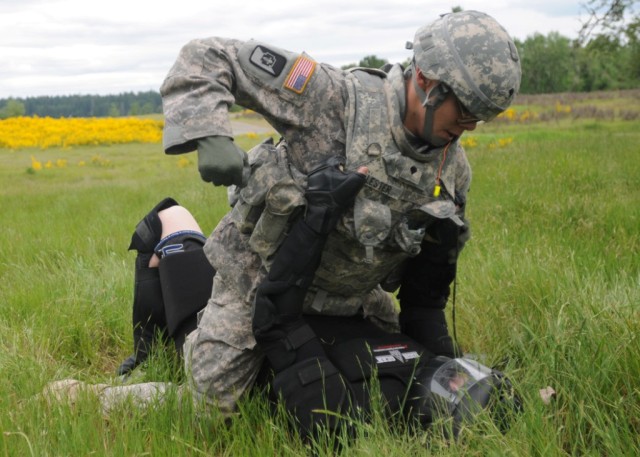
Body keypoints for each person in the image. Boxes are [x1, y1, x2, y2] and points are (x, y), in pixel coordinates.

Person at [48, 9, 523, 439]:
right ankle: (92, 391)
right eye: (463, 110)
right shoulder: (331, 97)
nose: (469, 127)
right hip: (255, 283)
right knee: (212, 415)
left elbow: (424, 289)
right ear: (425, 78)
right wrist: (210, 135)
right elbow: (207, 56)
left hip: (350, 300)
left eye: (483, 117)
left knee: (385, 398)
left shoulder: (451, 171)